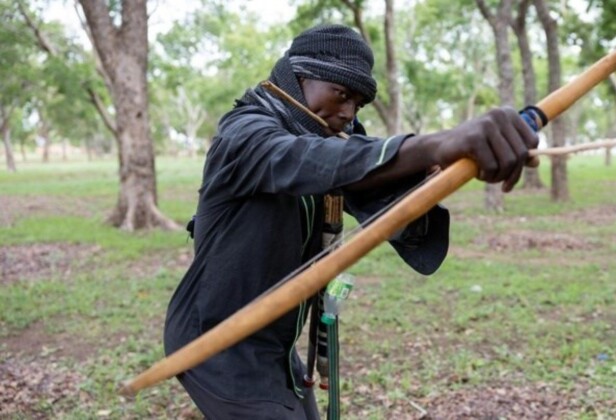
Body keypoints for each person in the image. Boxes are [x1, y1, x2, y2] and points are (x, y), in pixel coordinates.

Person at [163, 24, 539, 419]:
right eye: (341, 94)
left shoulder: (326, 135)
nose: (347, 113)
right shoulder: (244, 133)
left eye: (357, 104)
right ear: (299, 78)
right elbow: (308, 160)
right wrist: (435, 142)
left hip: (270, 342)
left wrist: (428, 173)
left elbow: (372, 189)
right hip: (214, 341)